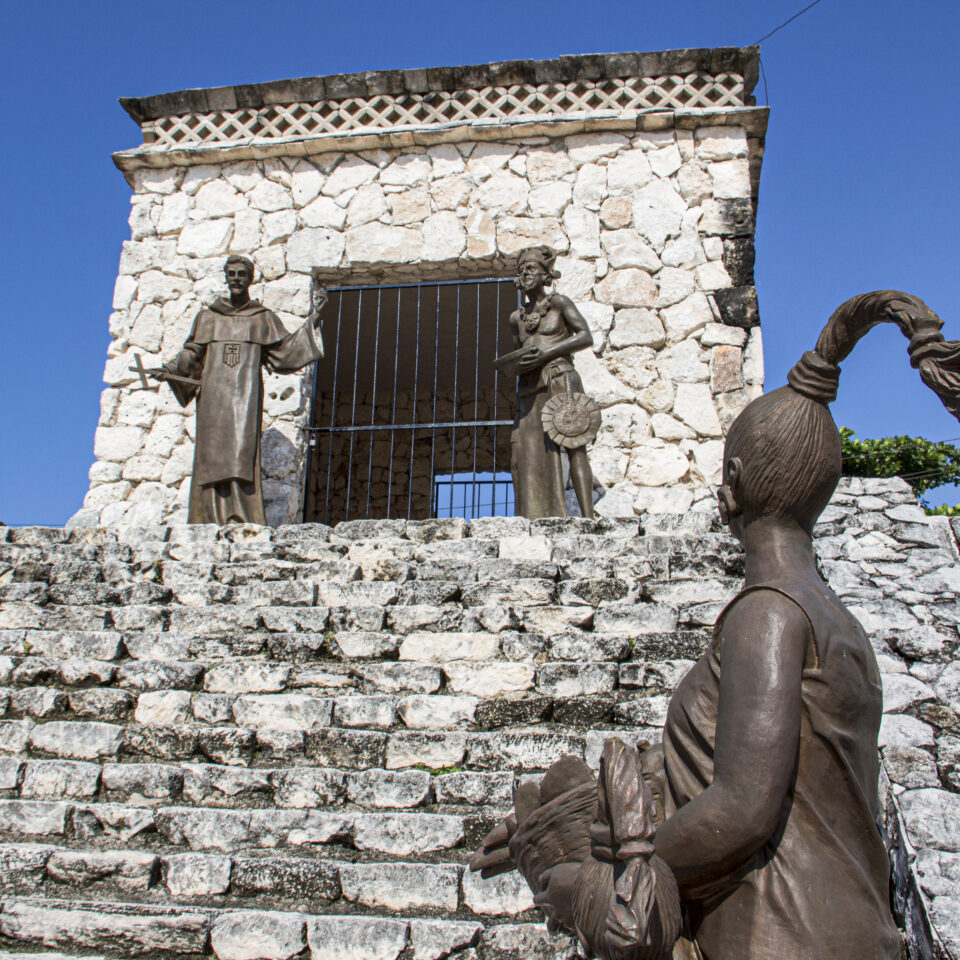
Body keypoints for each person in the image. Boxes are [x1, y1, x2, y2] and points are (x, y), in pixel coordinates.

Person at [474, 290, 960, 959]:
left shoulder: (767, 613)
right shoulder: (832, 619)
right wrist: (573, 820)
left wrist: (596, 878)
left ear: (731, 484)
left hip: (783, 934)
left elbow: (740, 810)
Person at [157, 255, 326, 524]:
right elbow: (192, 353)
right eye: (231, 273)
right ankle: (206, 516)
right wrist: (172, 368)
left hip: (244, 395)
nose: (236, 278)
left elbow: (283, 353)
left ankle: (242, 515)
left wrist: (313, 319)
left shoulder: (262, 318)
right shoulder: (207, 318)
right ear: (226, 277)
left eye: (241, 274)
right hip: (212, 396)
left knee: (240, 454)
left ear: (250, 278)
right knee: (209, 454)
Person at [506, 245, 596, 519]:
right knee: (525, 450)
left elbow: (585, 336)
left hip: (560, 378)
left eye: (531, 269)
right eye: (522, 271)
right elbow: (518, 355)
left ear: (546, 275)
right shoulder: (516, 319)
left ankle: (589, 517)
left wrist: (547, 353)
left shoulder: (559, 303)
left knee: (574, 444)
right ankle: (536, 513)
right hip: (531, 388)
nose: (525, 274)